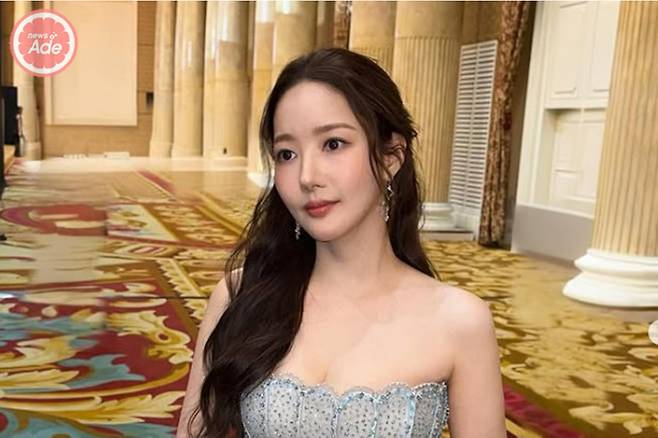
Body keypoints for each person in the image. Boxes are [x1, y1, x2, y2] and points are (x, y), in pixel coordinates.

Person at [177, 47, 506, 438]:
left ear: (391, 156)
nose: (307, 176)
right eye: (286, 154)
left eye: (333, 144)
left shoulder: (459, 320)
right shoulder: (240, 294)